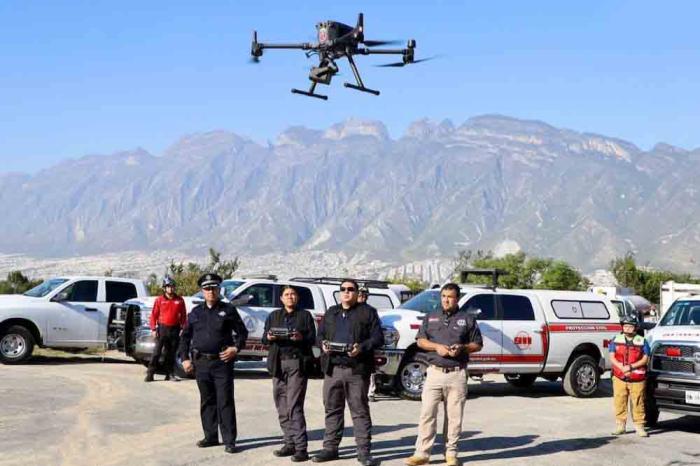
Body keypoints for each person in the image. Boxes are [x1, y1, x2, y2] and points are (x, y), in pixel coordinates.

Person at [405, 283, 483, 466]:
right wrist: (437, 347)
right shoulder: (431, 316)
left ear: (457, 299)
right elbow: (421, 341)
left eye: (450, 297)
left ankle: (451, 454)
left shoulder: (467, 318)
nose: (446, 300)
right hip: (434, 373)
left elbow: (477, 344)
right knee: (427, 413)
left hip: (457, 373)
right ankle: (422, 453)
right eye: (444, 296)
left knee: (454, 417)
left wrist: (463, 348)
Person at [313, 279, 384, 466]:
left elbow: (378, 338)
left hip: (356, 370)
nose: (346, 292)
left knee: (359, 412)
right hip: (333, 369)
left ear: (356, 292)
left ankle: (363, 452)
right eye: (343, 289)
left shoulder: (367, 312)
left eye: (350, 289)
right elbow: (319, 336)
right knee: (332, 410)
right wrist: (323, 345)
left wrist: (361, 348)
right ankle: (330, 448)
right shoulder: (331, 313)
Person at [178, 273, 248, 454]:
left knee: (224, 401)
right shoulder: (195, 313)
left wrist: (235, 348)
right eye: (207, 288)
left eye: (214, 288)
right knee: (207, 401)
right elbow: (185, 337)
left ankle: (229, 440)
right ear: (202, 291)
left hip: (222, 363)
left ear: (219, 290)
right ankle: (210, 436)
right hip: (201, 362)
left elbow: (242, 332)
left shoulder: (228, 310)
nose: (211, 291)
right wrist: (185, 358)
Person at [262, 285, 317, 463]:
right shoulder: (274, 316)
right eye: (286, 294)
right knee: (281, 406)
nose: (290, 297)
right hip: (277, 363)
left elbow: (313, 339)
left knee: (294, 406)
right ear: (281, 298)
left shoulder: (305, 316)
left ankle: (302, 448)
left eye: (293, 294)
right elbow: (264, 338)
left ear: (297, 298)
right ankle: (289, 443)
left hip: (296, 363)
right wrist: (269, 337)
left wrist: (301, 338)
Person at [609, 315, 650, 437]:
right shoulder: (616, 339)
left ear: (635, 328)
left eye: (630, 326)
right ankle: (620, 425)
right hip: (619, 376)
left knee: (638, 401)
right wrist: (621, 367)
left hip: (637, 377)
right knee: (619, 400)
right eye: (625, 326)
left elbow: (645, 359)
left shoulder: (642, 341)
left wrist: (631, 367)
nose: (627, 328)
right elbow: (612, 356)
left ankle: (639, 426)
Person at [145, 276, 187, 382]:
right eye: (168, 287)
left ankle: (170, 374)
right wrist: (153, 329)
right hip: (162, 329)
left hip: (175, 329)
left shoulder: (180, 300)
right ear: (164, 288)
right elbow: (154, 315)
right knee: (156, 352)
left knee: (171, 353)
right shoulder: (159, 300)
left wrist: (183, 327)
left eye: (172, 286)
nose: (170, 289)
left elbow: (183, 315)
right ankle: (150, 373)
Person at [358, 286, 378, 403]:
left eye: (365, 295)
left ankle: (371, 392)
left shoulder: (371, 311)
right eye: (360, 295)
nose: (362, 297)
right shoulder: (351, 309)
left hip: (367, 345)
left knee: (371, 371)